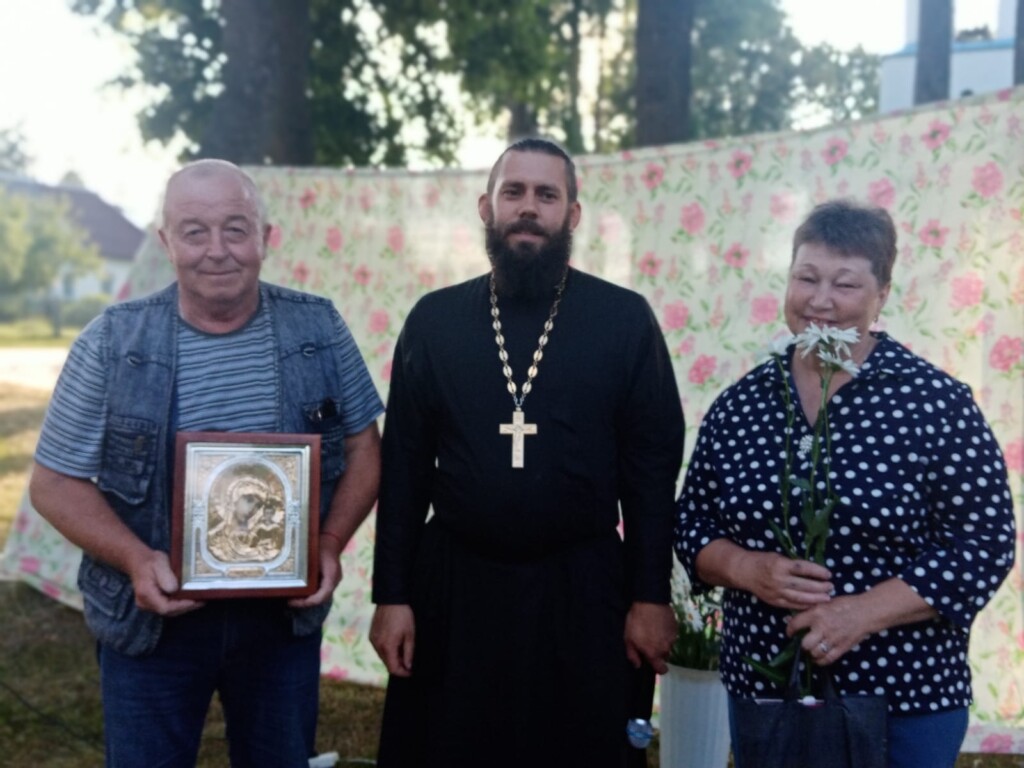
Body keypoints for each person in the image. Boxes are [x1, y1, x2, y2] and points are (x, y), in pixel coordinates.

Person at [28, 159, 384, 767]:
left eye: (235, 229)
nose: (217, 250)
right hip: (152, 622)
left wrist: (327, 543)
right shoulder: (111, 341)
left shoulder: (318, 327)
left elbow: (365, 450)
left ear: (265, 238)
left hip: (280, 624)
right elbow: (54, 483)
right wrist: (136, 559)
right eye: (194, 232)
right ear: (166, 242)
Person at [369, 137, 685, 768]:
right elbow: (404, 467)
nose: (528, 208)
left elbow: (651, 472)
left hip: (582, 588)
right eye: (513, 192)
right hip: (457, 589)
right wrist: (392, 595)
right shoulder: (434, 320)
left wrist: (650, 596)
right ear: (486, 206)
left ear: (573, 214)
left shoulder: (624, 320)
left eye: (547, 194)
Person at [674, 199, 1016, 768]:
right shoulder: (742, 404)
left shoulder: (935, 402)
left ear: (882, 294)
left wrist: (861, 612)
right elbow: (693, 521)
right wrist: (745, 567)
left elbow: (984, 545)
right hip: (766, 692)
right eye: (806, 278)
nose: (821, 300)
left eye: (846, 283)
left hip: (905, 695)